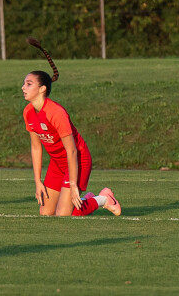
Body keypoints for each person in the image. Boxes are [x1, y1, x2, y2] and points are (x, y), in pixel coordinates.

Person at [22, 38, 121, 217]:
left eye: (29, 84)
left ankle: (104, 199)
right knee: (46, 213)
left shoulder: (56, 112)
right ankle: (85, 200)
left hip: (77, 160)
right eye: (24, 83)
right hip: (58, 164)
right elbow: (36, 147)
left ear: (42, 89)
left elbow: (73, 151)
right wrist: (38, 182)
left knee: (64, 215)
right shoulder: (28, 112)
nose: (23, 87)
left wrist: (73, 184)